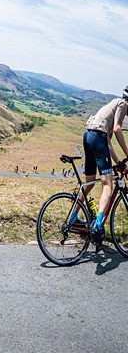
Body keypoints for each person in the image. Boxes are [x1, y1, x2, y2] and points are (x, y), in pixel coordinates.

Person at [73, 86, 128, 248]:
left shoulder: (111, 105)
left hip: (88, 135)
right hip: (98, 137)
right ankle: (97, 226)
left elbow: (108, 142)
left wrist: (118, 162)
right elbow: (117, 129)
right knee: (108, 187)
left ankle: (73, 219)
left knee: (89, 183)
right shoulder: (123, 105)